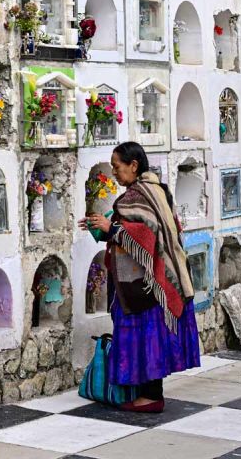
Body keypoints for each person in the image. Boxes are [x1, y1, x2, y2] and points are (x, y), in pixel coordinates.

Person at [79, 141, 200, 412]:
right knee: (152, 334)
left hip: (146, 283)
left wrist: (111, 228)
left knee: (147, 333)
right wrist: (106, 227)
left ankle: (151, 397)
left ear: (134, 166)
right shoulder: (157, 190)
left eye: (117, 167)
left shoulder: (137, 195)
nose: (113, 173)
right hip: (158, 277)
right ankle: (149, 393)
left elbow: (145, 236)